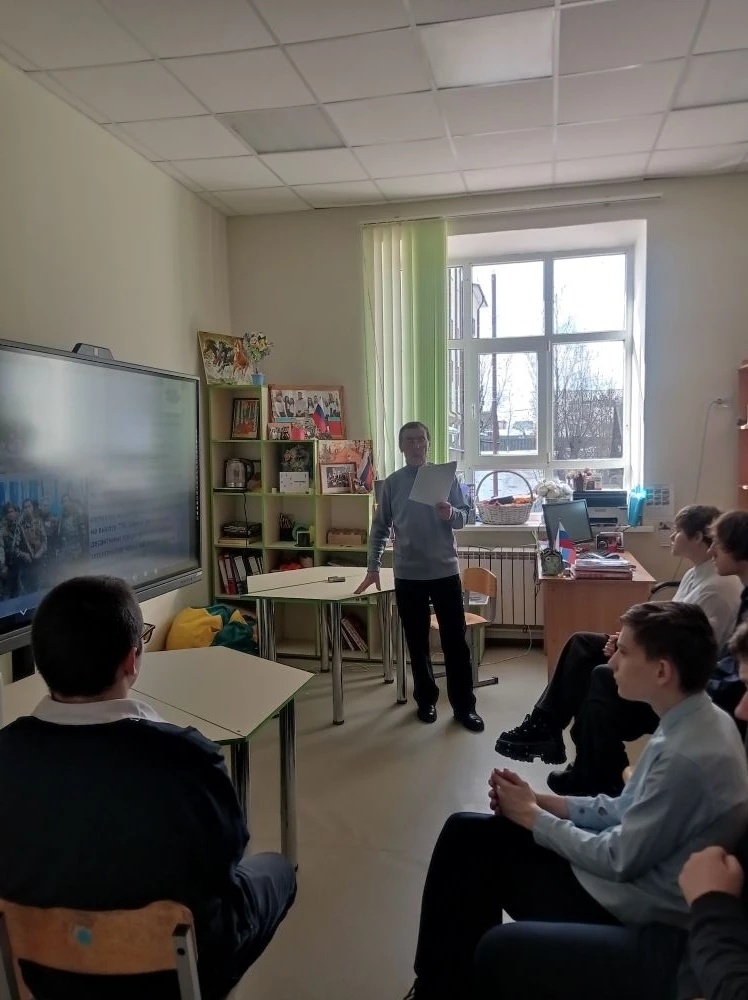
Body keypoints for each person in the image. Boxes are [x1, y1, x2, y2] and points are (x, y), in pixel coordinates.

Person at [405, 602, 748, 1000]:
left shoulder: (686, 755)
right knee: (465, 832)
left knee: (476, 857)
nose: (612, 660)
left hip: (632, 907)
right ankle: (441, 986)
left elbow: (617, 859)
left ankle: (442, 987)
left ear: (661, 672)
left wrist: (533, 817)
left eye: (624, 652)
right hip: (627, 881)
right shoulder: (692, 718)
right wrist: (545, 803)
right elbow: (625, 809)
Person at [0, 576, 296, 1000]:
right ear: (132, 660)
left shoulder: (7, 755)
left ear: (43, 664)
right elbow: (227, 856)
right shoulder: (188, 758)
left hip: (42, 971)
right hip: (181, 970)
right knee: (278, 872)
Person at [496, 505, 742, 794]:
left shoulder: (716, 588)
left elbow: (687, 652)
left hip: (678, 675)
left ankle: (597, 772)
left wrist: (628, 648)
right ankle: (546, 727)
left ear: (697, 536)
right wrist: (625, 639)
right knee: (582, 644)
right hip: (661, 651)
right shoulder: (697, 573)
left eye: (677, 531)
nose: (672, 536)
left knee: (600, 676)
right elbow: (668, 623)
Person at [355, 421, 483, 732]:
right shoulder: (392, 484)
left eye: (421, 440)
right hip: (408, 575)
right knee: (417, 641)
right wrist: (373, 567)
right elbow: (380, 528)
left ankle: (464, 707)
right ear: (401, 447)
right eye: (410, 441)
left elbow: (465, 518)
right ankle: (426, 700)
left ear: (428, 443)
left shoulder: (446, 478)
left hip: (444, 571)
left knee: (455, 642)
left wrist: (451, 514)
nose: (416, 445)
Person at [676, 621, 748, 1000]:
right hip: (701, 939)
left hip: (699, 945)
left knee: (505, 950)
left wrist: (710, 905)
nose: (741, 709)